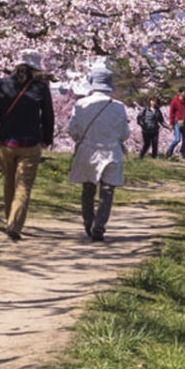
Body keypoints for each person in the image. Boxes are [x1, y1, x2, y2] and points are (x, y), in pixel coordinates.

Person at [0, 53, 54, 241]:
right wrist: (47, 138)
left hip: (5, 143)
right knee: (23, 186)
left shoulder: (2, 84)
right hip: (30, 143)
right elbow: (48, 115)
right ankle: (14, 226)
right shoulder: (40, 87)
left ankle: (10, 221)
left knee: (9, 182)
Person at [67, 71, 131, 241]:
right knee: (107, 191)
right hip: (111, 152)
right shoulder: (118, 106)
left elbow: (72, 131)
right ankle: (99, 227)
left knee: (88, 189)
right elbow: (125, 134)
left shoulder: (81, 104)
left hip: (88, 151)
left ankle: (89, 223)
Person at [167, 92, 185, 161]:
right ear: (180, 93)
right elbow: (171, 113)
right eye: (184, 92)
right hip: (177, 123)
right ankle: (169, 151)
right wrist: (171, 123)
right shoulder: (174, 101)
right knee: (177, 139)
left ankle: (182, 155)